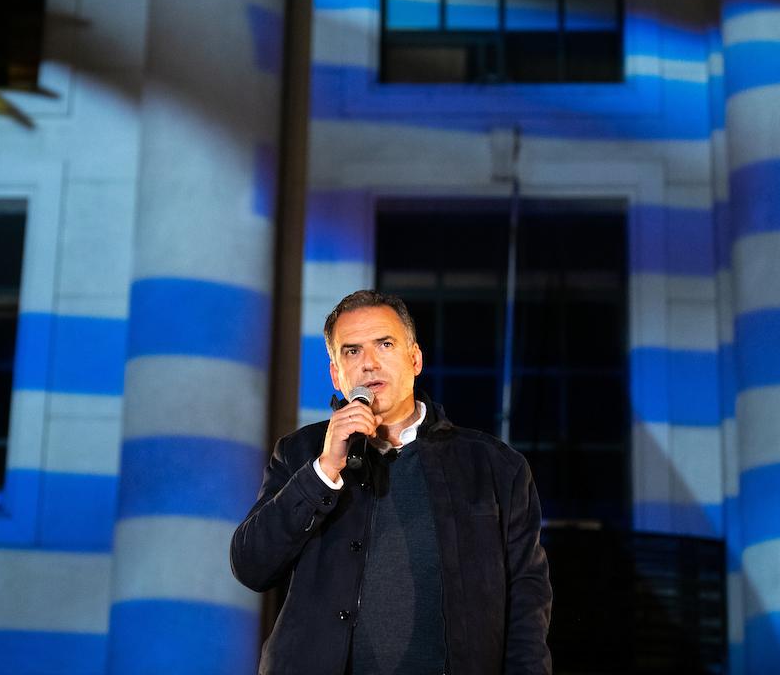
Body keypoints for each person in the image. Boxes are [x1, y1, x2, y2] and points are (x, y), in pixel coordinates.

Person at [231, 289, 553, 674]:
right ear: (336, 373)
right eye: (351, 351)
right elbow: (251, 566)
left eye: (384, 344)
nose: (368, 364)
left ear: (414, 358)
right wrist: (324, 470)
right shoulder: (301, 454)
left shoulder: (494, 467)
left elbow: (526, 602)